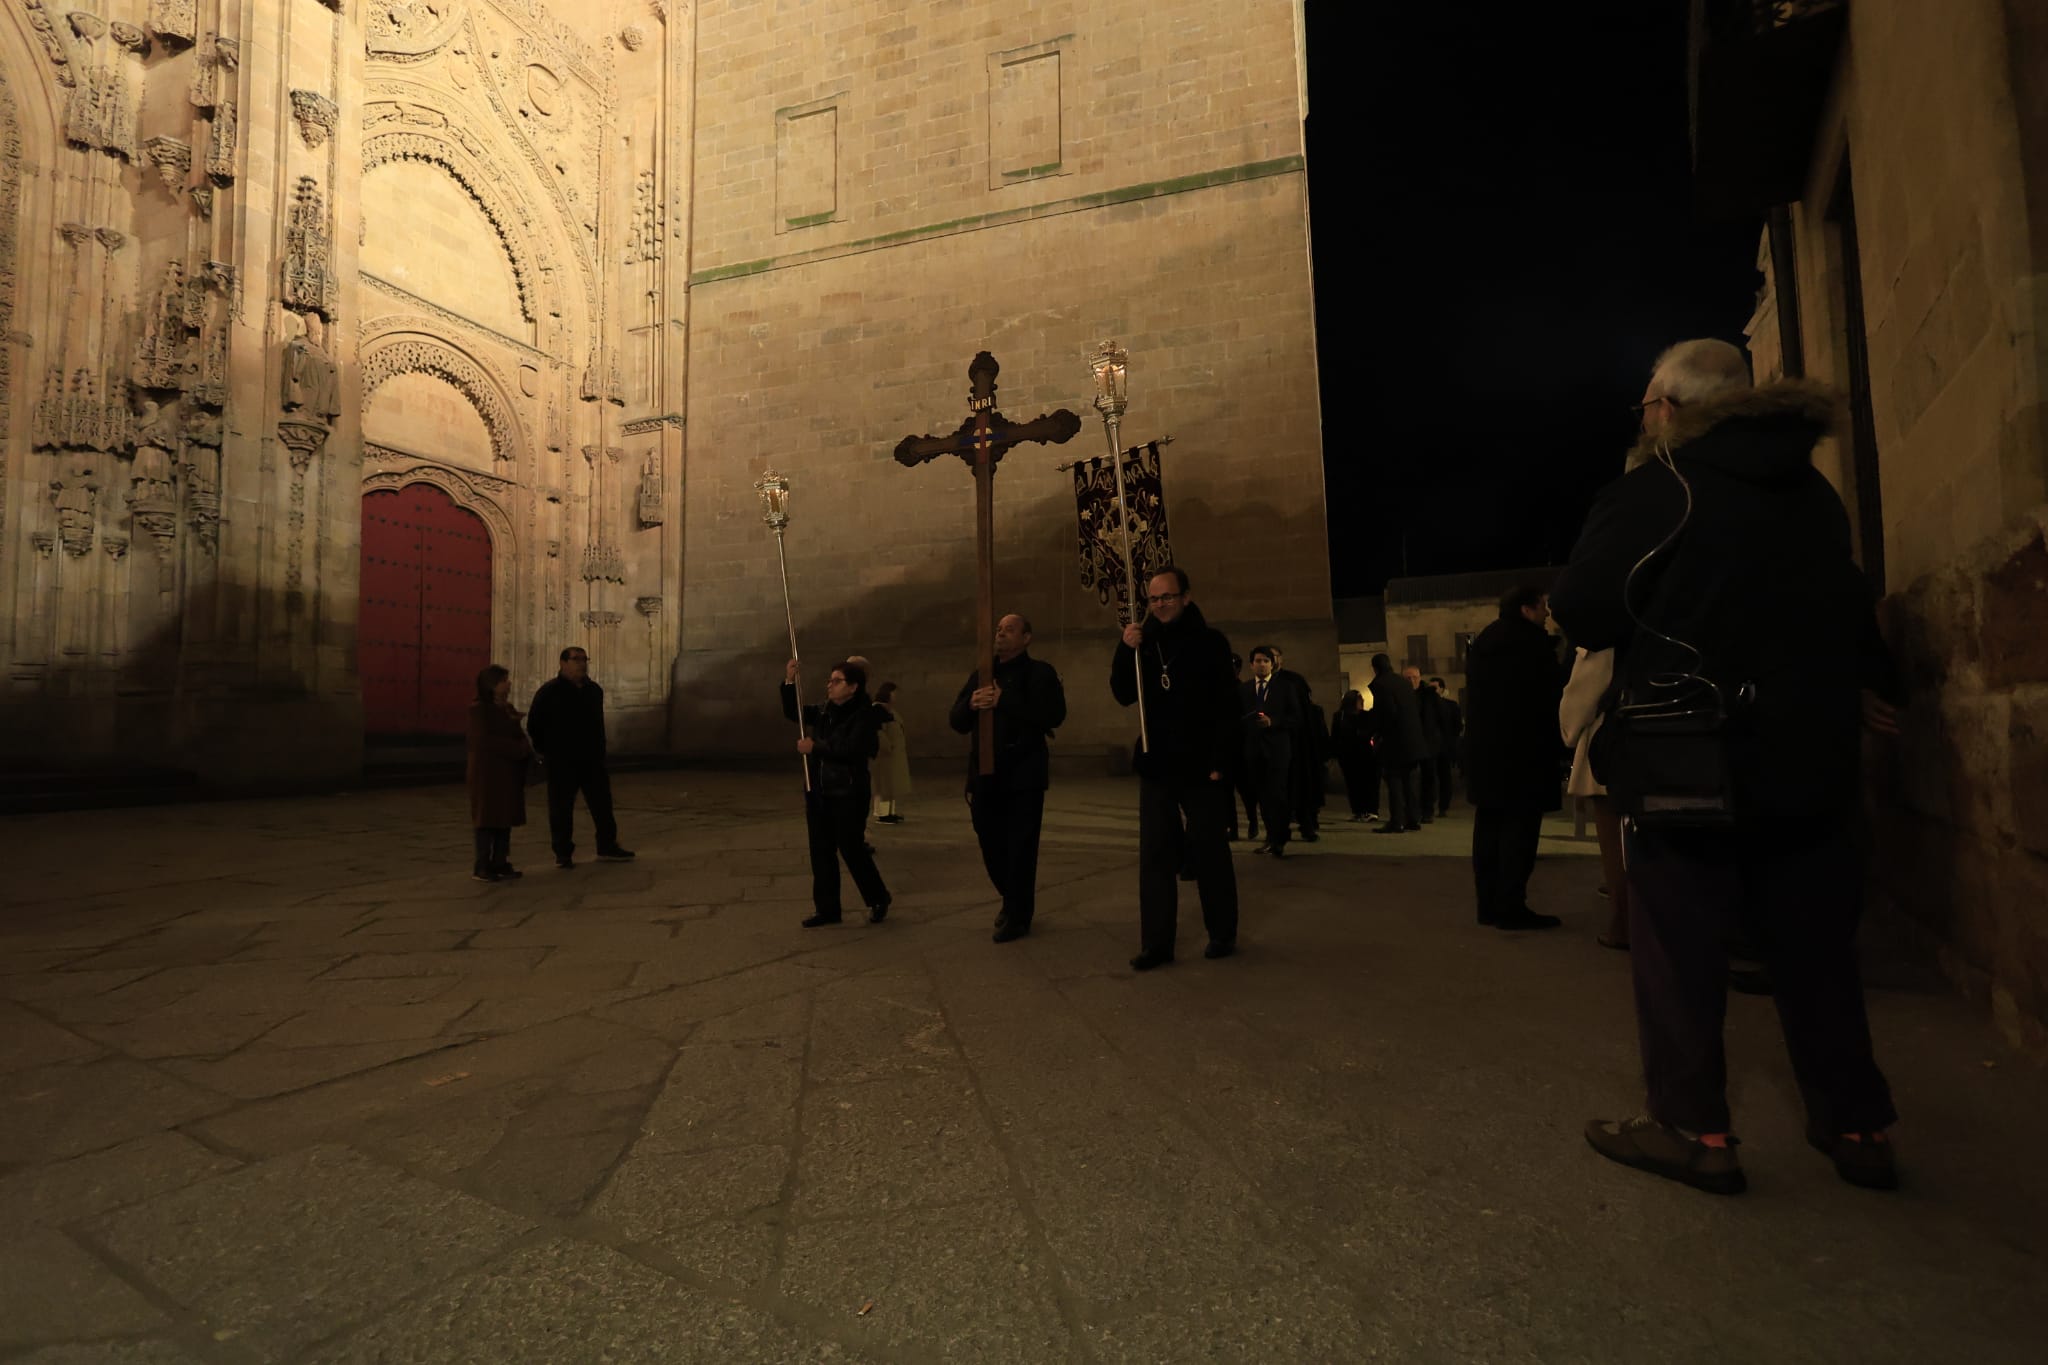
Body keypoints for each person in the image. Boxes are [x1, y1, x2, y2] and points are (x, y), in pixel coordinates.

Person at [1556, 339, 1903, 1195]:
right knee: (1816, 950)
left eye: (1644, 406)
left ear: (1669, 409)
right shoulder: (1814, 495)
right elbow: (1847, 598)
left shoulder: (1661, 488)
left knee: (1678, 945)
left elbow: (1585, 607)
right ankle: (1855, 1125)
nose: (1643, 420)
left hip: (1690, 755)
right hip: (1809, 754)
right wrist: (1876, 684)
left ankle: (1692, 1127)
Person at [1111, 566, 1240, 970]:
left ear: (1186, 596)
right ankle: (1156, 943)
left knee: (1209, 851)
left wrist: (1221, 761)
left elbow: (1227, 707)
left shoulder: (1211, 643)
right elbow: (1123, 694)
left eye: (1168, 597)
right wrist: (1123, 648)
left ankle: (1222, 932)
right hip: (1157, 763)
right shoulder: (1144, 645)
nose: (1160, 605)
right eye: (1154, 599)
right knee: (1155, 856)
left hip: (1202, 766)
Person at [948, 613, 1068, 942]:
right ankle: (1013, 899)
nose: (1001, 634)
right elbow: (956, 720)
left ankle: (1017, 915)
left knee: (1021, 847)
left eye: (1009, 630)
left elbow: (1053, 715)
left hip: (1023, 775)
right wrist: (971, 704)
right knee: (989, 840)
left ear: (1026, 637)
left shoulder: (1039, 672)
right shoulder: (982, 674)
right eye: (998, 630)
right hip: (986, 775)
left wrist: (1006, 700)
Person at [1464, 586, 1566, 930]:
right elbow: (1549, 695)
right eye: (1543, 608)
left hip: (1488, 755)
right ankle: (1511, 905)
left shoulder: (1485, 641)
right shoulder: (1531, 645)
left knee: (1490, 829)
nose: (1547, 615)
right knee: (1519, 833)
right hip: (1524, 755)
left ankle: (1488, 905)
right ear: (1526, 610)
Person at [782, 658, 891, 927]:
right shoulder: (824, 711)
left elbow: (851, 749)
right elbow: (794, 712)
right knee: (821, 851)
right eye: (829, 681)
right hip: (819, 790)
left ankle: (878, 897)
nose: (830, 685)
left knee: (852, 849)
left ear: (853, 687)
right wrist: (789, 681)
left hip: (848, 792)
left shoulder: (865, 715)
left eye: (836, 681)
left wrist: (814, 747)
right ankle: (828, 909)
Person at [527, 646, 634, 870]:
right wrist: (548, 750)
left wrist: (600, 749)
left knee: (602, 804)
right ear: (563, 663)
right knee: (561, 808)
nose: (581, 663)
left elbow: (597, 723)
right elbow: (535, 724)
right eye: (576, 659)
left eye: (584, 659)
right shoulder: (549, 692)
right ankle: (563, 852)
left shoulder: (594, 690)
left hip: (592, 759)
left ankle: (607, 845)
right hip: (562, 761)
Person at [1561, 647, 1630, 949]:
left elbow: (1579, 702)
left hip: (1612, 749)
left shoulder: (1602, 644)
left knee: (1616, 845)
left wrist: (1570, 732)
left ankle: (1624, 922)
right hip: (1663, 745)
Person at [465, 665, 530, 883]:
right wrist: (518, 749)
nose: (508, 684)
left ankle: (500, 861)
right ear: (492, 685)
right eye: (504, 680)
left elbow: (518, 734)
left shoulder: (507, 708)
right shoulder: (479, 710)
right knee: (486, 818)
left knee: (504, 818)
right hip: (487, 773)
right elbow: (484, 741)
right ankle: (483, 864)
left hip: (507, 772)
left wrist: (521, 744)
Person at [1239, 646, 1300, 857]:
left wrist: (1273, 722)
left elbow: (1296, 717)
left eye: (1266, 660)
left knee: (1278, 796)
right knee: (1263, 798)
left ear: (1272, 664)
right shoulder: (1245, 689)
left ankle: (1280, 837)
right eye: (1258, 660)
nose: (1262, 664)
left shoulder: (1285, 687)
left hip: (1277, 751)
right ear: (1251, 664)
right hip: (1254, 751)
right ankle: (1270, 837)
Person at [1269, 647, 1323, 842]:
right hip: (1274, 744)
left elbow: (1304, 712)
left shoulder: (1293, 680)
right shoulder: (1263, 684)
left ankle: (1306, 824)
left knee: (1300, 786)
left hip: (1296, 741)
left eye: (1273, 657)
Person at [1367, 653, 1424, 832]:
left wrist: (1376, 733)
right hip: (1412, 739)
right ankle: (1413, 818)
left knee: (1394, 780)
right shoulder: (1401, 683)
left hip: (1395, 741)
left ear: (1375, 668)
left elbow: (1386, 713)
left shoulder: (1381, 684)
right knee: (1409, 780)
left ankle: (1397, 820)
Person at [1331, 690, 1379, 822]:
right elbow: (1335, 735)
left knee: (1366, 783)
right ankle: (1358, 810)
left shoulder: (1364, 716)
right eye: (1360, 700)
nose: (1362, 702)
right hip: (1349, 754)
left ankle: (1370, 810)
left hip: (1363, 754)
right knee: (1353, 784)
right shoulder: (1340, 716)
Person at [1404, 665, 1442, 823]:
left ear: (1420, 678)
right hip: (1411, 741)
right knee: (1410, 777)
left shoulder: (1429, 695)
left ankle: (1427, 810)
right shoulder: (1404, 695)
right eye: (1408, 678)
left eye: (1414, 677)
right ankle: (1413, 810)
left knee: (1428, 777)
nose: (1412, 680)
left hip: (1427, 741)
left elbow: (1439, 716)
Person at [871, 681, 912, 824]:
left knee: (890, 786)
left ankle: (890, 812)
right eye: (894, 693)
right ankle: (882, 814)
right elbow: (878, 732)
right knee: (883, 786)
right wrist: (887, 746)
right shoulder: (877, 709)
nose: (896, 696)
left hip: (892, 755)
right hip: (883, 756)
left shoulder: (889, 710)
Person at [1429, 677, 1462, 815]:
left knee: (1444, 777)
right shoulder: (1427, 705)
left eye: (1435, 688)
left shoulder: (1451, 705)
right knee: (1430, 777)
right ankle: (1429, 806)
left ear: (1442, 689)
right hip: (1431, 747)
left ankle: (1443, 807)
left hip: (1444, 747)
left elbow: (1457, 726)